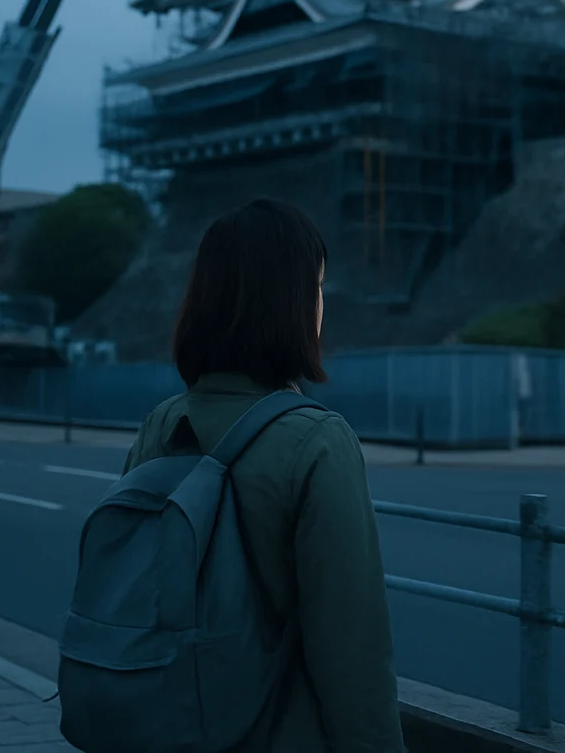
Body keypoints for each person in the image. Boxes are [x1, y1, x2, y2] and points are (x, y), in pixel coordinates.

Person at [121, 198, 405, 753]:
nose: (323, 305)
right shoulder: (318, 441)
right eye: (318, 287)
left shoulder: (161, 424)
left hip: (163, 726)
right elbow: (352, 650)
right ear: (293, 303)